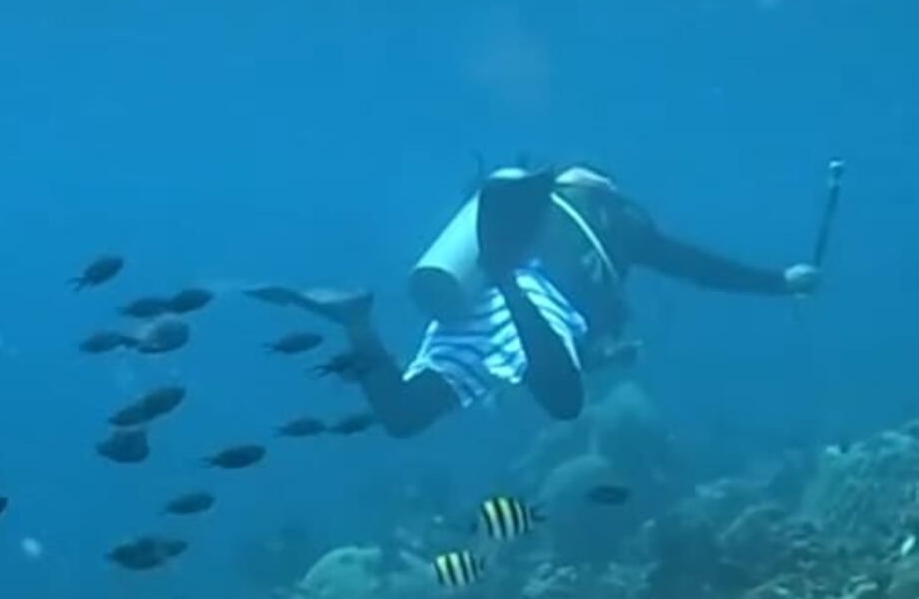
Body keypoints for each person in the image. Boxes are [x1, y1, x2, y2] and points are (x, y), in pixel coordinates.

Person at [253, 164, 820, 432]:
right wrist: (781, 281)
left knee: (403, 413)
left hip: (474, 298)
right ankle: (501, 280)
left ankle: (356, 320)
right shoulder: (623, 222)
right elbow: (698, 268)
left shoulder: (538, 196)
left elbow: (479, 208)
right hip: (536, 303)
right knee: (564, 401)